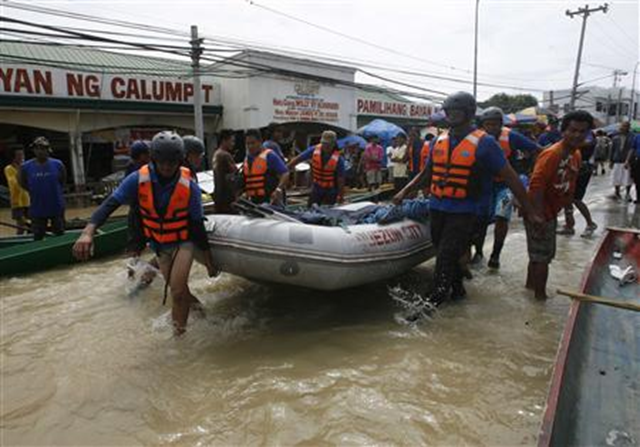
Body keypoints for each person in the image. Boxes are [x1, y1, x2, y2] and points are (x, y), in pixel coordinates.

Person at [393, 92, 541, 318]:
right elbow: (427, 173)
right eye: (449, 111)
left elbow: (510, 177)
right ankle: (459, 291)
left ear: (469, 114)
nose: (452, 116)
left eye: (457, 111)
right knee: (444, 252)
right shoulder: (439, 140)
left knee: (444, 257)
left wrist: (530, 210)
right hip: (438, 207)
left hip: (466, 211)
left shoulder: (485, 143)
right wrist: (404, 191)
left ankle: (432, 301)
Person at [72, 131, 216, 335]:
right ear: (154, 159)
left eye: (172, 162)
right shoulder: (137, 179)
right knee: (181, 292)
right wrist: (88, 231)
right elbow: (111, 204)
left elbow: (196, 226)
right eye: (162, 162)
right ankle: (203, 313)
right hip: (158, 244)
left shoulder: (189, 187)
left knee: (176, 290)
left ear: (179, 161)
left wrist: (208, 258)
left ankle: (179, 339)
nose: (167, 167)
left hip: (183, 242)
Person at [525, 111, 594, 300]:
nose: (577, 135)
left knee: (539, 256)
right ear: (563, 131)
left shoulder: (575, 154)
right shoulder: (552, 154)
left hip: (551, 209)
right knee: (543, 257)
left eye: (582, 131)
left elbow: (569, 185)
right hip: (538, 210)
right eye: (573, 130)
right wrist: (537, 215)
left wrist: (569, 211)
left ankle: (531, 289)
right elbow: (536, 185)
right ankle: (540, 299)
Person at [479, 107, 540, 269]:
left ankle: (495, 255)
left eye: (494, 124)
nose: (491, 128)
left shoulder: (511, 136)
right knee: (479, 219)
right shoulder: (478, 137)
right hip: (484, 184)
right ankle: (478, 252)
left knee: (502, 217)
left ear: (501, 124)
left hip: (505, 185)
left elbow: (536, 149)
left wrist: (532, 171)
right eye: (487, 124)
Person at [19, 137, 66, 240]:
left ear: (48, 150)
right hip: (37, 208)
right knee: (38, 236)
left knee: (60, 234)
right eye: (37, 148)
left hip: (56, 206)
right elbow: (23, 183)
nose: (40, 151)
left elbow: (62, 182)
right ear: (34, 150)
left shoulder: (58, 164)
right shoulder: (25, 167)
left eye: (43, 148)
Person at [288, 130, 345, 206]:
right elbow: (298, 159)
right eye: (324, 143)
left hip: (331, 189)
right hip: (317, 187)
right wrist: (285, 169)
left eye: (328, 144)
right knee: (311, 207)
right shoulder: (314, 150)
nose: (326, 146)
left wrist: (340, 196)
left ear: (334, 144)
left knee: (328, 209)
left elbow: (340, 179)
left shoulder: (338, 159)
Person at [558, 131, 598, 237]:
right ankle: (569, 225)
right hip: (571, 167)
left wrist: (571, 142)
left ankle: (590, 223)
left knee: (576, 199)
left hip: (583, 169)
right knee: (566, 196)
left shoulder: (588, 134)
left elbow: (589, 143)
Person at [241, 128, 289, 205]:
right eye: (248, 144)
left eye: (253, 143)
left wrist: (278, 189)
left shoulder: (270, 156)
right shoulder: (247, 159)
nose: (250, 146)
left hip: (270, 200)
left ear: (260, 142)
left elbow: (285, 173)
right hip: (254, 201)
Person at [3, 147, 30, 234]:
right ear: (13, 157)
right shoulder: (9, 169)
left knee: (31, 224)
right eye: (18, 155)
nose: (21, 157)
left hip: (27, 200)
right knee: (21, 225)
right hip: (17, 202)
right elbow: (14, 183)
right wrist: (20, 170)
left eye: (22, 154)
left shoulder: (26, 167)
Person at [212, 129, 238, 214]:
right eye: (232, 141)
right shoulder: (225, 155)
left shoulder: (216, 154)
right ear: (224, 141)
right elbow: (234, 177)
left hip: (218, 198)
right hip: (227, 199)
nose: (233, 144)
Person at [610, 121, 635, 201]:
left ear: (628, 127)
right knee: (616, 177)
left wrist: (630, 160)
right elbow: (612, 150)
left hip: (627, 161)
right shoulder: (615, 137)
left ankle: (627, 193)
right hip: (617, 159)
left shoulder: (632, 137)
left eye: (625, 126)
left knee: (628, 178)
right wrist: (611, 161)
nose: (623, 127)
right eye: (622, 126)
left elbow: (633, 149)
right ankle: (617, 192)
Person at [626, 132, 640, 204]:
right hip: (638, 160)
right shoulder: (637, 137)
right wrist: (627, 160)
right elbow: (632, 149)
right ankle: (638, 198)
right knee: (637, 179)